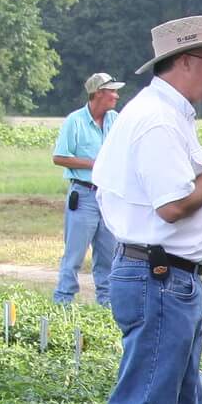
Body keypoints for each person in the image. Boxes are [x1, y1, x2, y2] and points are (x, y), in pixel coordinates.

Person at [91, 16, 202, 404]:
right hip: (157, 277)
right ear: (184, 61)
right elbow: (172, 206)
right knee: (149, 401)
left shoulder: (166, 115)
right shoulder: (156, 121)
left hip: (169, 279)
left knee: (177, 402)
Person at [53, 72, 124, 307]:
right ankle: (63, 301)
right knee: (74, 254)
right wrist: (94, 163)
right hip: (83, 195)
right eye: (112, 91)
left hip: (109, 195)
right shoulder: (75, 121)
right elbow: (60, 157)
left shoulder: (116, 120)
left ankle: (106, 305)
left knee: (108, 255)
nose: (116, 95)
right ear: (98, 94)